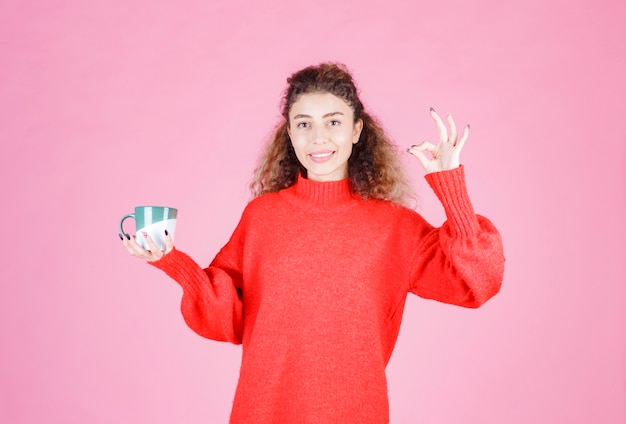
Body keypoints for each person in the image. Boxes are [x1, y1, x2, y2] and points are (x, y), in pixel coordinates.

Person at [120, 63, 505, 423]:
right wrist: (173, 262)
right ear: (289, 133)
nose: (318, 137)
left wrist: (450, 186)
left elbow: (475, 283)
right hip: (263, 409)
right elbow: (229, 318)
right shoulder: (262, 217)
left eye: (333, 122)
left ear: (356, 130)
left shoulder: (395, 227)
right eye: (303, 124)